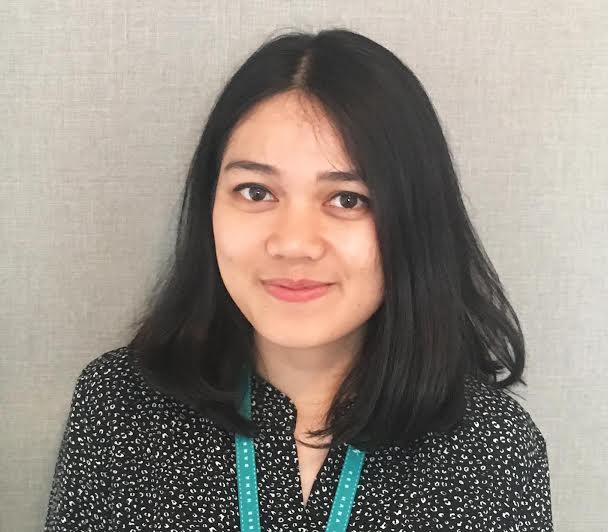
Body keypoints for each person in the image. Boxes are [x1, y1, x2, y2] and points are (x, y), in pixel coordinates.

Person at [43, 28, 554, 531]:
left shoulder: (494, 451)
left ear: (414, 223)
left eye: (347, 199)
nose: (293, 243)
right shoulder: (116, 407)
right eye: (256, 192)